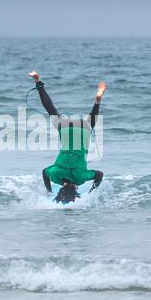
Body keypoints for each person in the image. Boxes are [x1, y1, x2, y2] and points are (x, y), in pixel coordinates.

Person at [28, 71, 107, 204]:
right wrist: (49, 191)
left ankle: (97, 103)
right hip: (65, 127)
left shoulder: (80, 178)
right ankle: (38, 81)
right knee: (51, 110)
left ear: (76, 190)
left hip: (83, 127)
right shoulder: (55, 174)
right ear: (60, 191)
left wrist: (92, 193)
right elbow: (44, 173)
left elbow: (99, 175)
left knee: (90, 124)